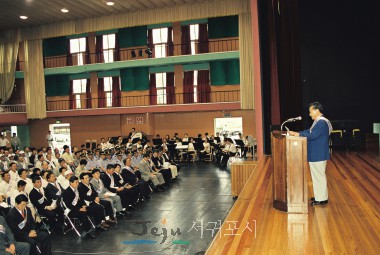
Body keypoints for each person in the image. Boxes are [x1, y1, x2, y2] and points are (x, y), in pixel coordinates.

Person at [289, 102, 332, 206]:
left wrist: (298, 134)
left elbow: (312, 135)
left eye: (310, 111)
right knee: (316, 176)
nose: (309, 114)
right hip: (316, 154)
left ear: (317, 111)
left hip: (318, 154)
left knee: (319, 176)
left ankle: (321, 199)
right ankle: (319, 196)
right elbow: (309, 131)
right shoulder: (318, 122)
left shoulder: (322, 122)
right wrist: (297, 133)